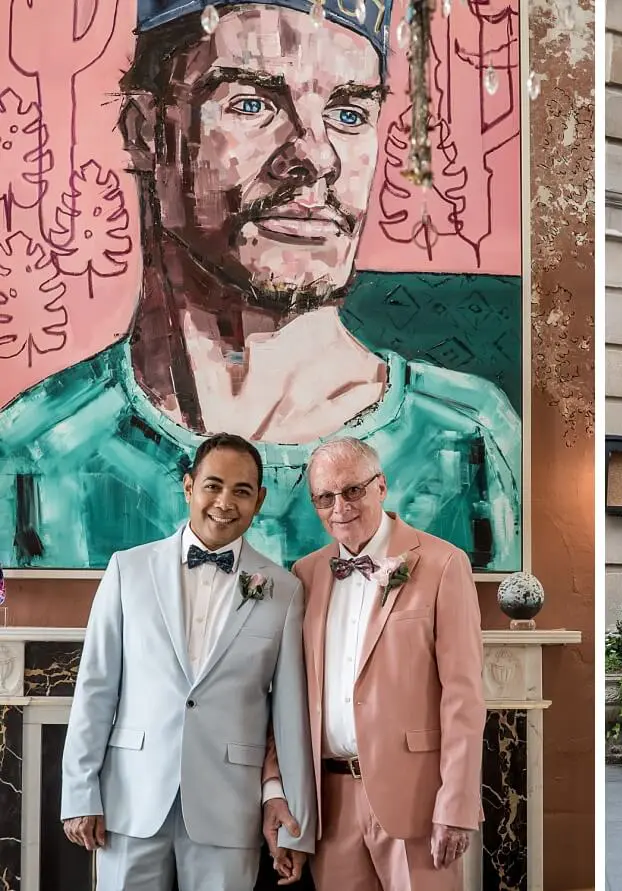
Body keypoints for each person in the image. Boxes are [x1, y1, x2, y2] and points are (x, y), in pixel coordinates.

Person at [0, 0, 520, 574]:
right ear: (146, 131)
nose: (316, 155)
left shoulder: (466, 441)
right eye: (251, 104)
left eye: (349, 113)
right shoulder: (38, 452)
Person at [60, 433, 315, 891]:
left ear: (259, 500)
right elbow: (95, 688)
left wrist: (290, 808)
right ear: (188, 487)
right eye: (213, 486)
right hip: (131, 800)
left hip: (229, 804)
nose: (224, 502)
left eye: (241, 491)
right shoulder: (127, 570)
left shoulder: (284, 589)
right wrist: (80, 793)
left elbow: (290, 715)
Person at [262, 437, 485, 889]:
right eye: (324, 497)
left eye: (352, 490)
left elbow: (463, 697)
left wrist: (456, 803)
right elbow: (284, 697)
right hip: (329, 803)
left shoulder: (443, 564)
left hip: (418, 800)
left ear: (381, 486)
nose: (339, 507)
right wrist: (278, 788)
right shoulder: (304, 574)